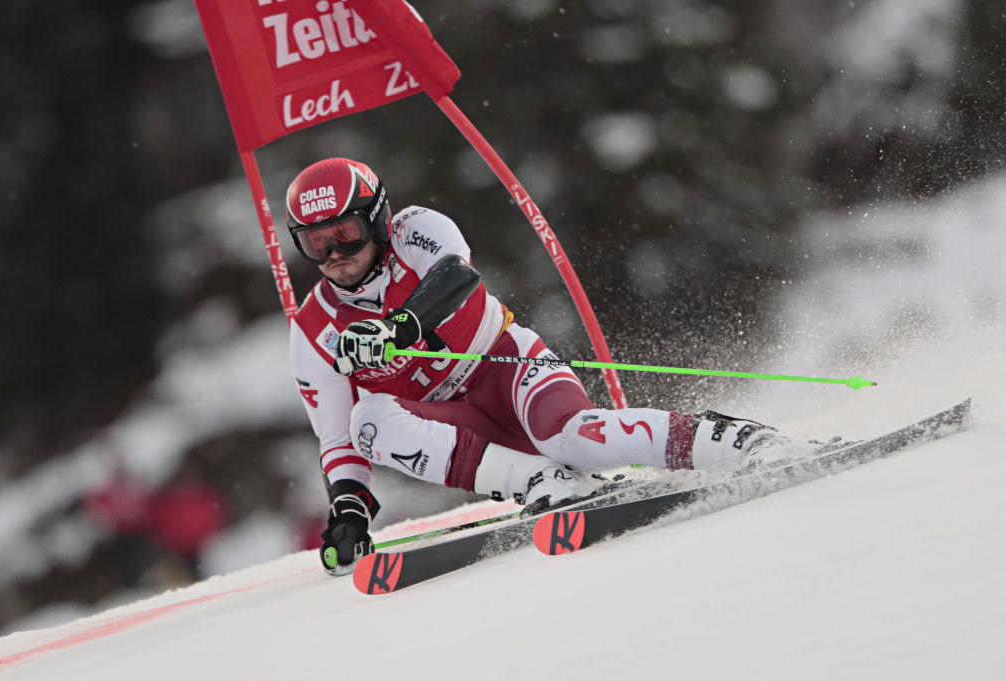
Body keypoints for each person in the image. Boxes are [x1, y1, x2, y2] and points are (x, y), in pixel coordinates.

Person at [287, 158, 786, 575]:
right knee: (368, 421)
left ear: (375, 220)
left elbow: (455, 275)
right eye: (315, 244)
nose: (333, 255)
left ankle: (732, 440)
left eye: (345, 234)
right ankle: (542, 483)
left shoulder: (415, 230)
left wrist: (396, 330)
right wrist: (349, 509)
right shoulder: (313, 329)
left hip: (506, 367)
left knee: (569, 437)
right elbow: (337, 439)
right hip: (460, 424)